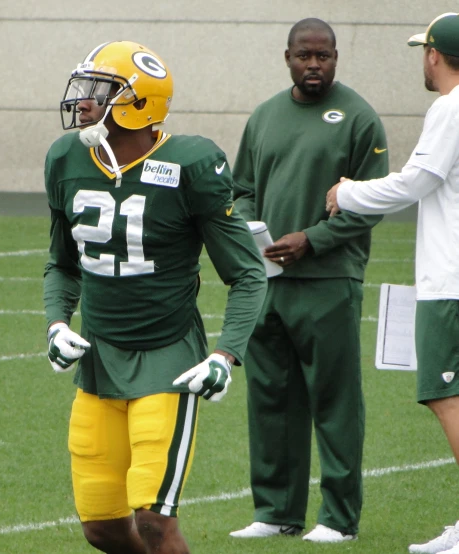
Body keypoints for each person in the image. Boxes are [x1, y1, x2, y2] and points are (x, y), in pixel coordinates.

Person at [42, 40, 267, 553]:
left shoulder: (190, 164)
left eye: (100, 91)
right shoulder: (66, 159)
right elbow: (61, 262)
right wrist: (57, 322)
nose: (83, 101)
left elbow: (248, 274)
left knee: (154, 521)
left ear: (139, 102)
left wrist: (225, 354)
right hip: (99, 360)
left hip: (168, 358)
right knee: (101, 527)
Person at [228, 18, 389, 543]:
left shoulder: (360, 118)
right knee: (271, 399)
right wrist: (253, 232)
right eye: (304, 56)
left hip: (328, 280)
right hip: (267, 282)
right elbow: (243, 187)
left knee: (335, 401)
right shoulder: (265, 116)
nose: (313, 65)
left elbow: (370, 203)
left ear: (337, 58)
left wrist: (312, 239)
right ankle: (276, 511)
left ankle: (339, 519)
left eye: (323, 56)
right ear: (287, 57)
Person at [326, 12, 459, 554]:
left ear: (434, 54)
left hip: (449, 281)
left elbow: (418, 181)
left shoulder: (450, 107)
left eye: (422, 52)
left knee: (445, 396)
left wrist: (348, 194)